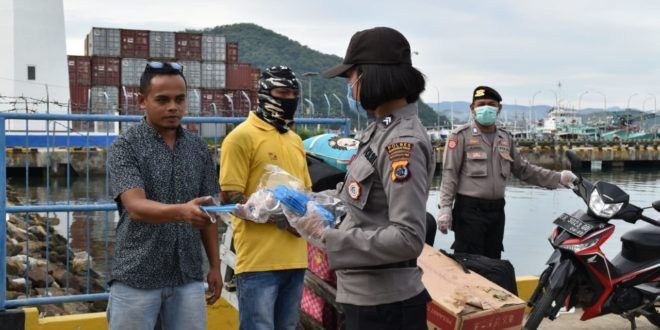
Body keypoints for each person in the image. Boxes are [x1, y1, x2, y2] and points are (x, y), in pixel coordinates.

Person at [286, 27, 435, 330]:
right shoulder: (378, 132)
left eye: (351, 78)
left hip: (386, 307)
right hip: (362, 298)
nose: (350, 87)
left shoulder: (401, 144)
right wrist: (298, 207)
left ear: (373, 77)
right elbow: (350, 201)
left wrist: (330, 238)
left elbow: (408, 238)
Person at [107, 62, 222, 330]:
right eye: (162, 100)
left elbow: (208, 212)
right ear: (142, 101)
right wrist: (182, 211)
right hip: (137, 275)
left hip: (188, 275)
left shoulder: (198, 148)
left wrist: (214, 265)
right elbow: (135, 206)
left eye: (179, 99)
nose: (173, 107)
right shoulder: (126, 146)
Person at [219, 66, 312, 330]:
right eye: (282, 92)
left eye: (294, 93)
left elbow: (305, 193)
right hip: (258, 262)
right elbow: (232, 196)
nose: (289, 99)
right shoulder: (240, 138)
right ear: (264, 94)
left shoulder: (295, 140)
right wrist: (285, 220)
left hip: (296, 259)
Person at [436, 86, 577, 259]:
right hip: (469, 211)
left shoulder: (505, 138)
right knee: (470, 264)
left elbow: (523, 169)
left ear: (499, 108)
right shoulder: (460, 136)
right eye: (481, 104)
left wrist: (558, 178)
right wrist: (445, 209)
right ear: (472, 109)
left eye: (491, 104)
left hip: (496, 211)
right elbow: (450, 174)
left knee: (493, 262)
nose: (485, 108)